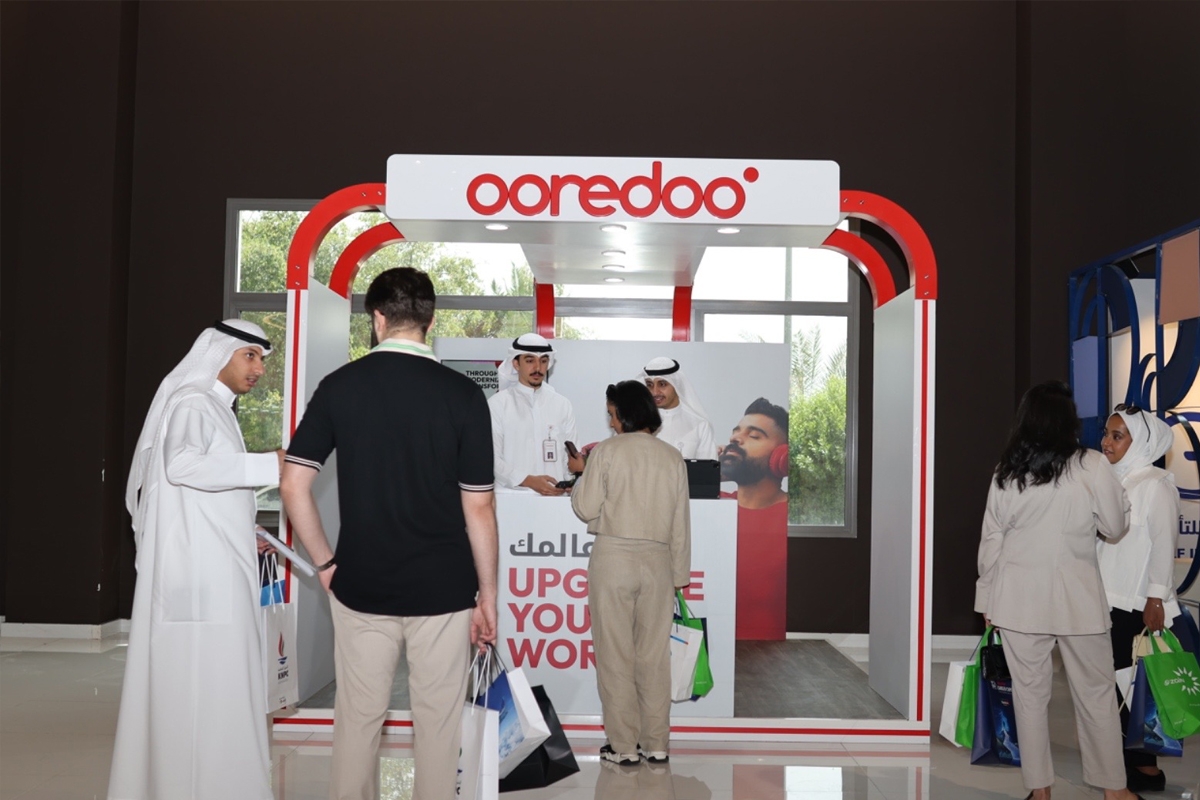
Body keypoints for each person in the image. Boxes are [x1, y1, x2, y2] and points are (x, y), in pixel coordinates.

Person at [279, 267, 499, 800]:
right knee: (439, 721)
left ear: (377, 319)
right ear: (429, 320)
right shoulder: (464, 395)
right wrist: (488, 594)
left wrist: (325, 564)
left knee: (358, 717)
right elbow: (480, 506)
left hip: (361, 582)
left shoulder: (340, 386)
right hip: (444, 587)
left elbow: (292, 484)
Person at [110, 319, 284, 800]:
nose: (258, 369)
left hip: (211, 568)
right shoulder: (194, 402)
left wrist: (247, 531)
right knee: (205, 685)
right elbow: (183, 465)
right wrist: (270, 463)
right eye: (250, 355)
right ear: (218, 353)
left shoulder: (214, 407)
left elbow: (201, 494)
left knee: (216, 685)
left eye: (261, 360)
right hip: (200, 578)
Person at [975, 381, 1143, 800]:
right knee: (1096, 695)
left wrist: (986, 598)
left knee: (1029, 697)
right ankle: (1114, 791)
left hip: (1017, 599)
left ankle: (1040, 791)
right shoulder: (1091, 465)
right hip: (1078, 600)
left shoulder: (1007, 471)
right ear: (1069, 422)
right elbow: (1115, 528)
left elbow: (992, 540)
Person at [571, 381, 691, 766]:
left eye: (611, 414)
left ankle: (623, 747)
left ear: (624, 413)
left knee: (615, 655)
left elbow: (585, 508)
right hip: (658, 563)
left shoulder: (606, 452)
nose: (610, 422)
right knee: (654, 657)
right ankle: (656, 743)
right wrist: (679, 573)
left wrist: (581, 476)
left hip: (614, 558)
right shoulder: (672, 457)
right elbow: (680, 524)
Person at [1098, 404, 1182, 793]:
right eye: (1106, 434)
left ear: (1141, 443)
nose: (1107, 442)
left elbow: (1165, 545)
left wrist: (1156, 598)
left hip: (1136, 603)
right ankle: (1125, 763)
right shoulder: (1110, 480)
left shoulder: (1156, 484)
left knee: (1136, 687)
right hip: (1106, 597)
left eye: (1117, 436)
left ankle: (1145, 768)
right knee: (1115, 685)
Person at [719, 397, 789, 640]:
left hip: (775, 653)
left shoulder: (796, 518)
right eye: (736, 432)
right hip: (711, 648)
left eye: (754, 436)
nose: (735, 439)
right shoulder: (711, 507)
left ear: (782, 456)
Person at [488, 333, 582, 495]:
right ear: (516, 364)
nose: (538, 368)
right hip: (512, 498)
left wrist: (572, 481)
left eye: (543, 361)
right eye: (530, 361)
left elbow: (572, 457)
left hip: (555, 499)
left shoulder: (562, 404)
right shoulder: (497, 404)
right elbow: (491, 458)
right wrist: (528, 480)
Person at [638, 356, 718, 459]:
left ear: (676, 384)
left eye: (662, 384)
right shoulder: (638, 422)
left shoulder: (699, 425)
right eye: (649, 385)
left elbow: (707, 466)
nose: (655, 392)